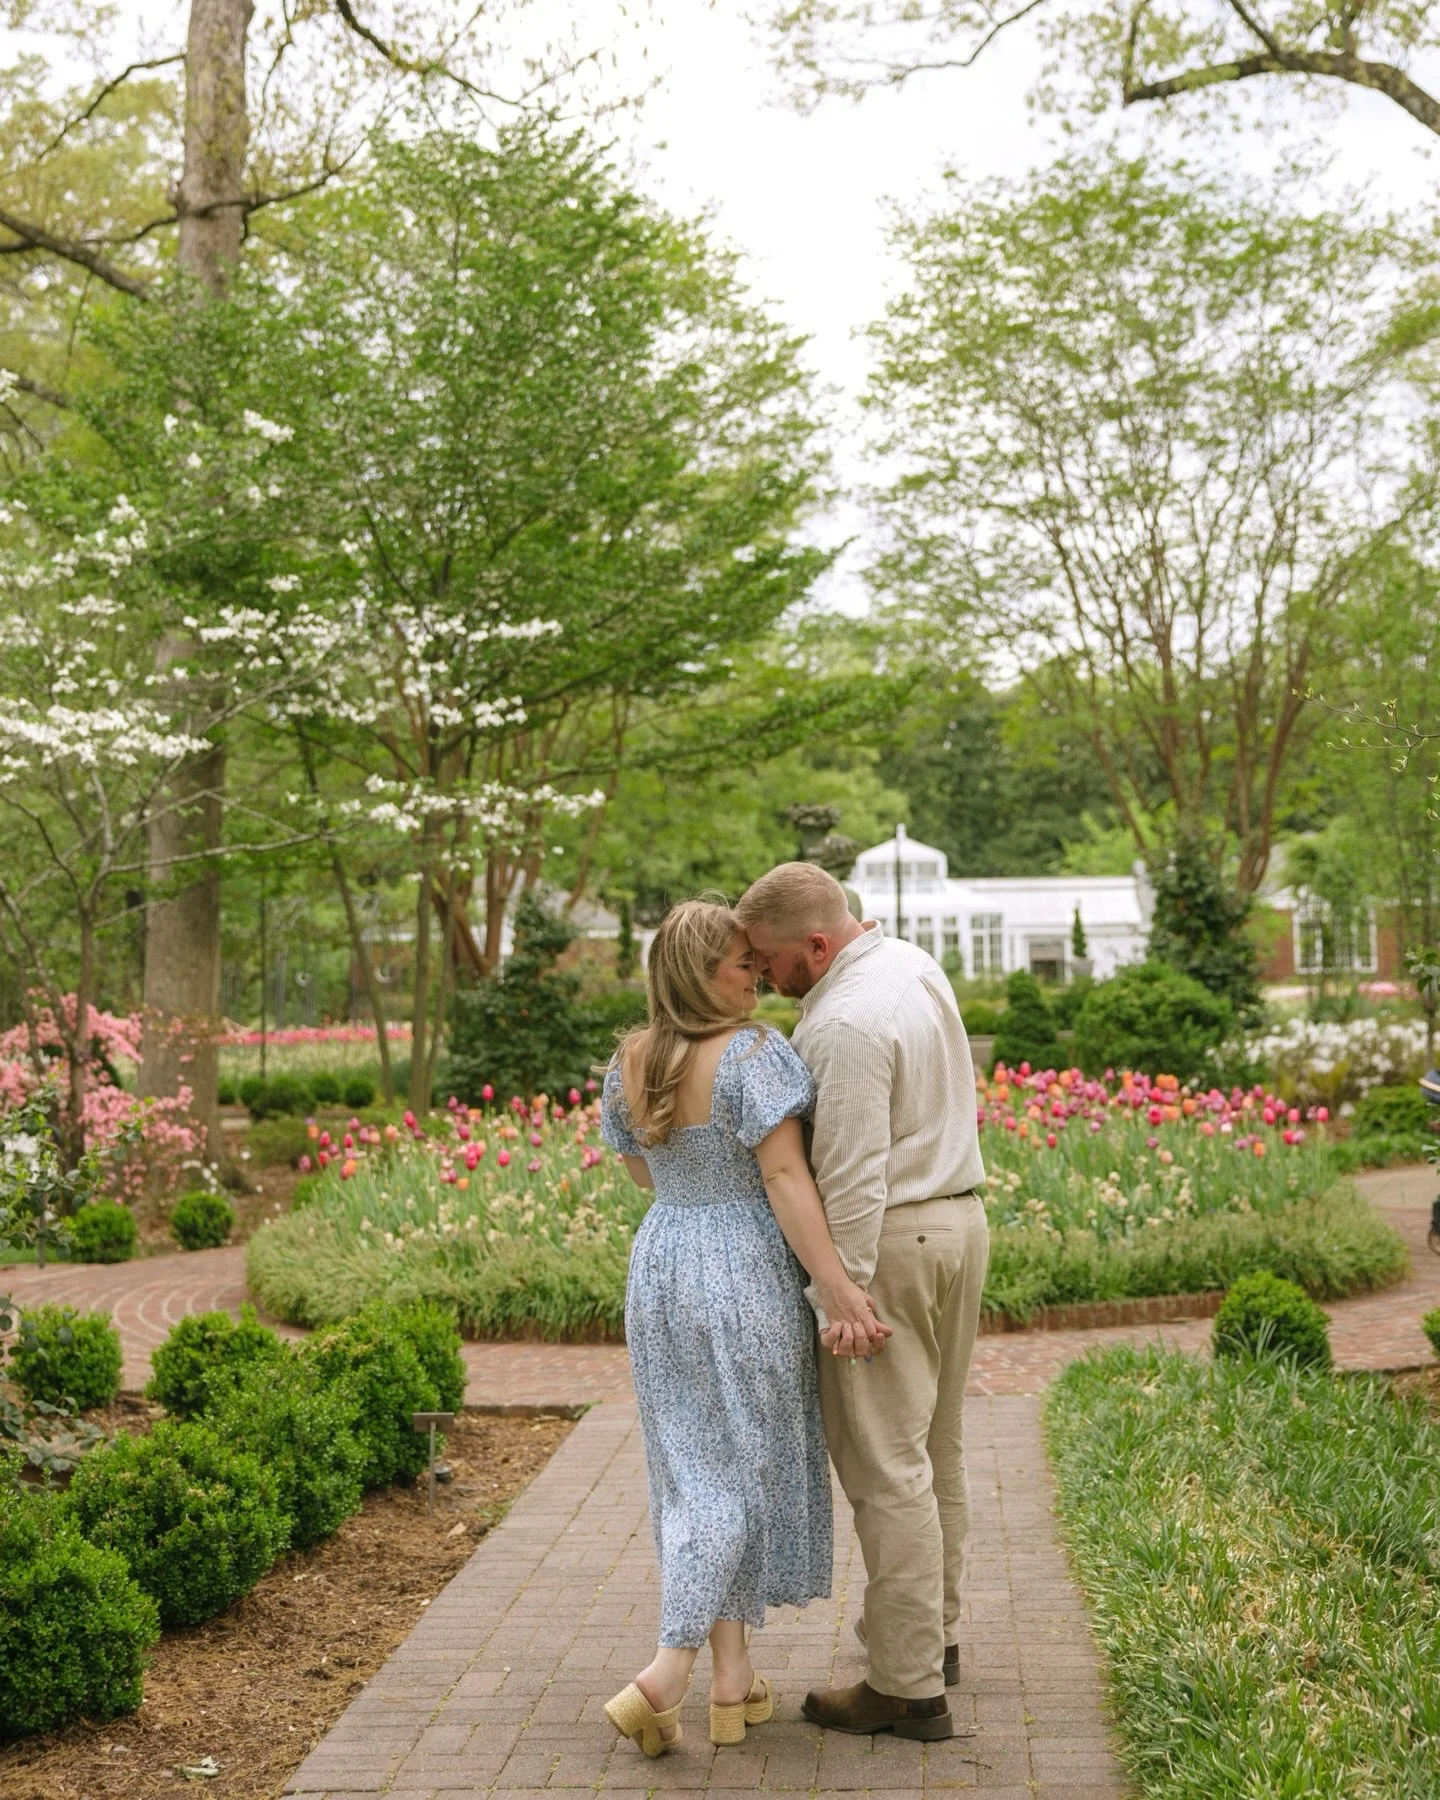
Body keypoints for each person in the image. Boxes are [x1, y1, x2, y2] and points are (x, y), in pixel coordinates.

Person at [599, 898, 891, 1759]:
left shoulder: (633, 1059)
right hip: (746, 1267)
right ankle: (666, 1670)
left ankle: (734, 1682)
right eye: (740, 964)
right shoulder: (756, 1054)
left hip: (663, 1264)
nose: (757, 975)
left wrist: (693, 1203)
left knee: (693, 1466)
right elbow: (786, 1177)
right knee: (738, 1474)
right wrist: (834, 1286)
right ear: (699, 973)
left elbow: (637, 1168)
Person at [735, 862, 988, 1743]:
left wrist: (834, 1293)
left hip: (891, 1245)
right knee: (935, 1449)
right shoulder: (909, 964)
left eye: (769, 963)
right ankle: (932, 1637)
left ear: (816, 943)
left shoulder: (841, 1021)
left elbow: (846, 1176)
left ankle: (906, 1687)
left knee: (886, 1468)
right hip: (958, 1225)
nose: (764, 979)